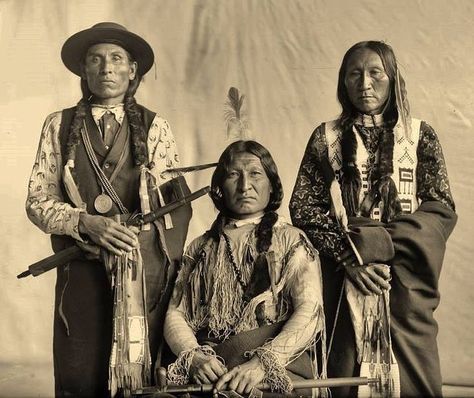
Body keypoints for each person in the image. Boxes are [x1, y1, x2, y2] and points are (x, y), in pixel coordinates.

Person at [26, 22, 192, 397]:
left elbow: (176, 209)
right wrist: (85, 223)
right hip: (81, 272)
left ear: (133, 70)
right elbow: (37, 200)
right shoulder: (59, 125)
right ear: (84, 69)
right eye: (96, 59)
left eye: (116, 58)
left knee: (139, 374)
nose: (106, 68)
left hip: (141, 276)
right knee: (80, 369)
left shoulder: (155, 127)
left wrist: (136, 241)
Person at [289, 41, 457, 397]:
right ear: (343, 83)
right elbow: (304, 208)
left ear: (392, 78)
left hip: (402, 281)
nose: (364, 83)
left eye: (375, 73)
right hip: (343, 276)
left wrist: (379, 245)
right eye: (354, 74)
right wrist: (349, 258)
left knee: (413, 379)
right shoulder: (326, 138)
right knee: (344, 368)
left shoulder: (419, 135)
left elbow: (440, 210)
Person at [163, 140, 326, 397]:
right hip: (213, 369)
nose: (244, 186)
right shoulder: (201, 247)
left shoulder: (292, 240)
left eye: (255, 174)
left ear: (272, 186)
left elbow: (311, 311)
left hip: (276, 369)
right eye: (233, 175)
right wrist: (194, 357)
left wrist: (262, 364)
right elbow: (176, 313)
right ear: (219, 189)